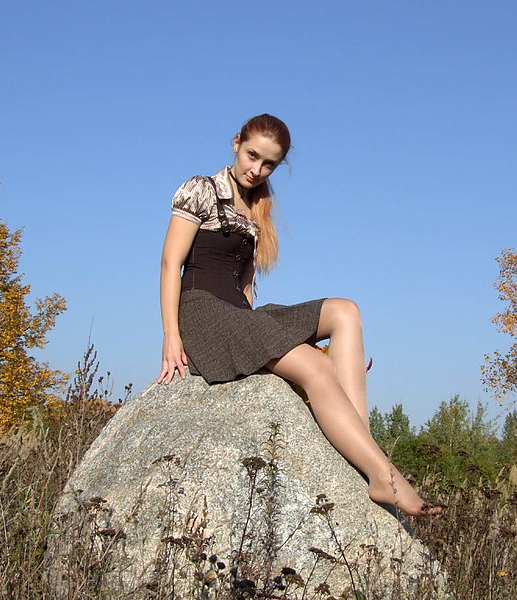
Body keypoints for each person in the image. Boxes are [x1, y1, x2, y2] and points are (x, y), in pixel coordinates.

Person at [157, 113, 441, 517]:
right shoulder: (200, 190)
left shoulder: (258, 210)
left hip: (239, 317)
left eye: (268, 163)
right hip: (203, 315)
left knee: (345, 311)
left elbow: (245, 293)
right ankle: (384, 477)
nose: (256, 170)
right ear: (236, 142)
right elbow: (170, 263)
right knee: (314, 367)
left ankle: (363, 443)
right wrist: (171, 334)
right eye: (252, 155)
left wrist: (263, 337)